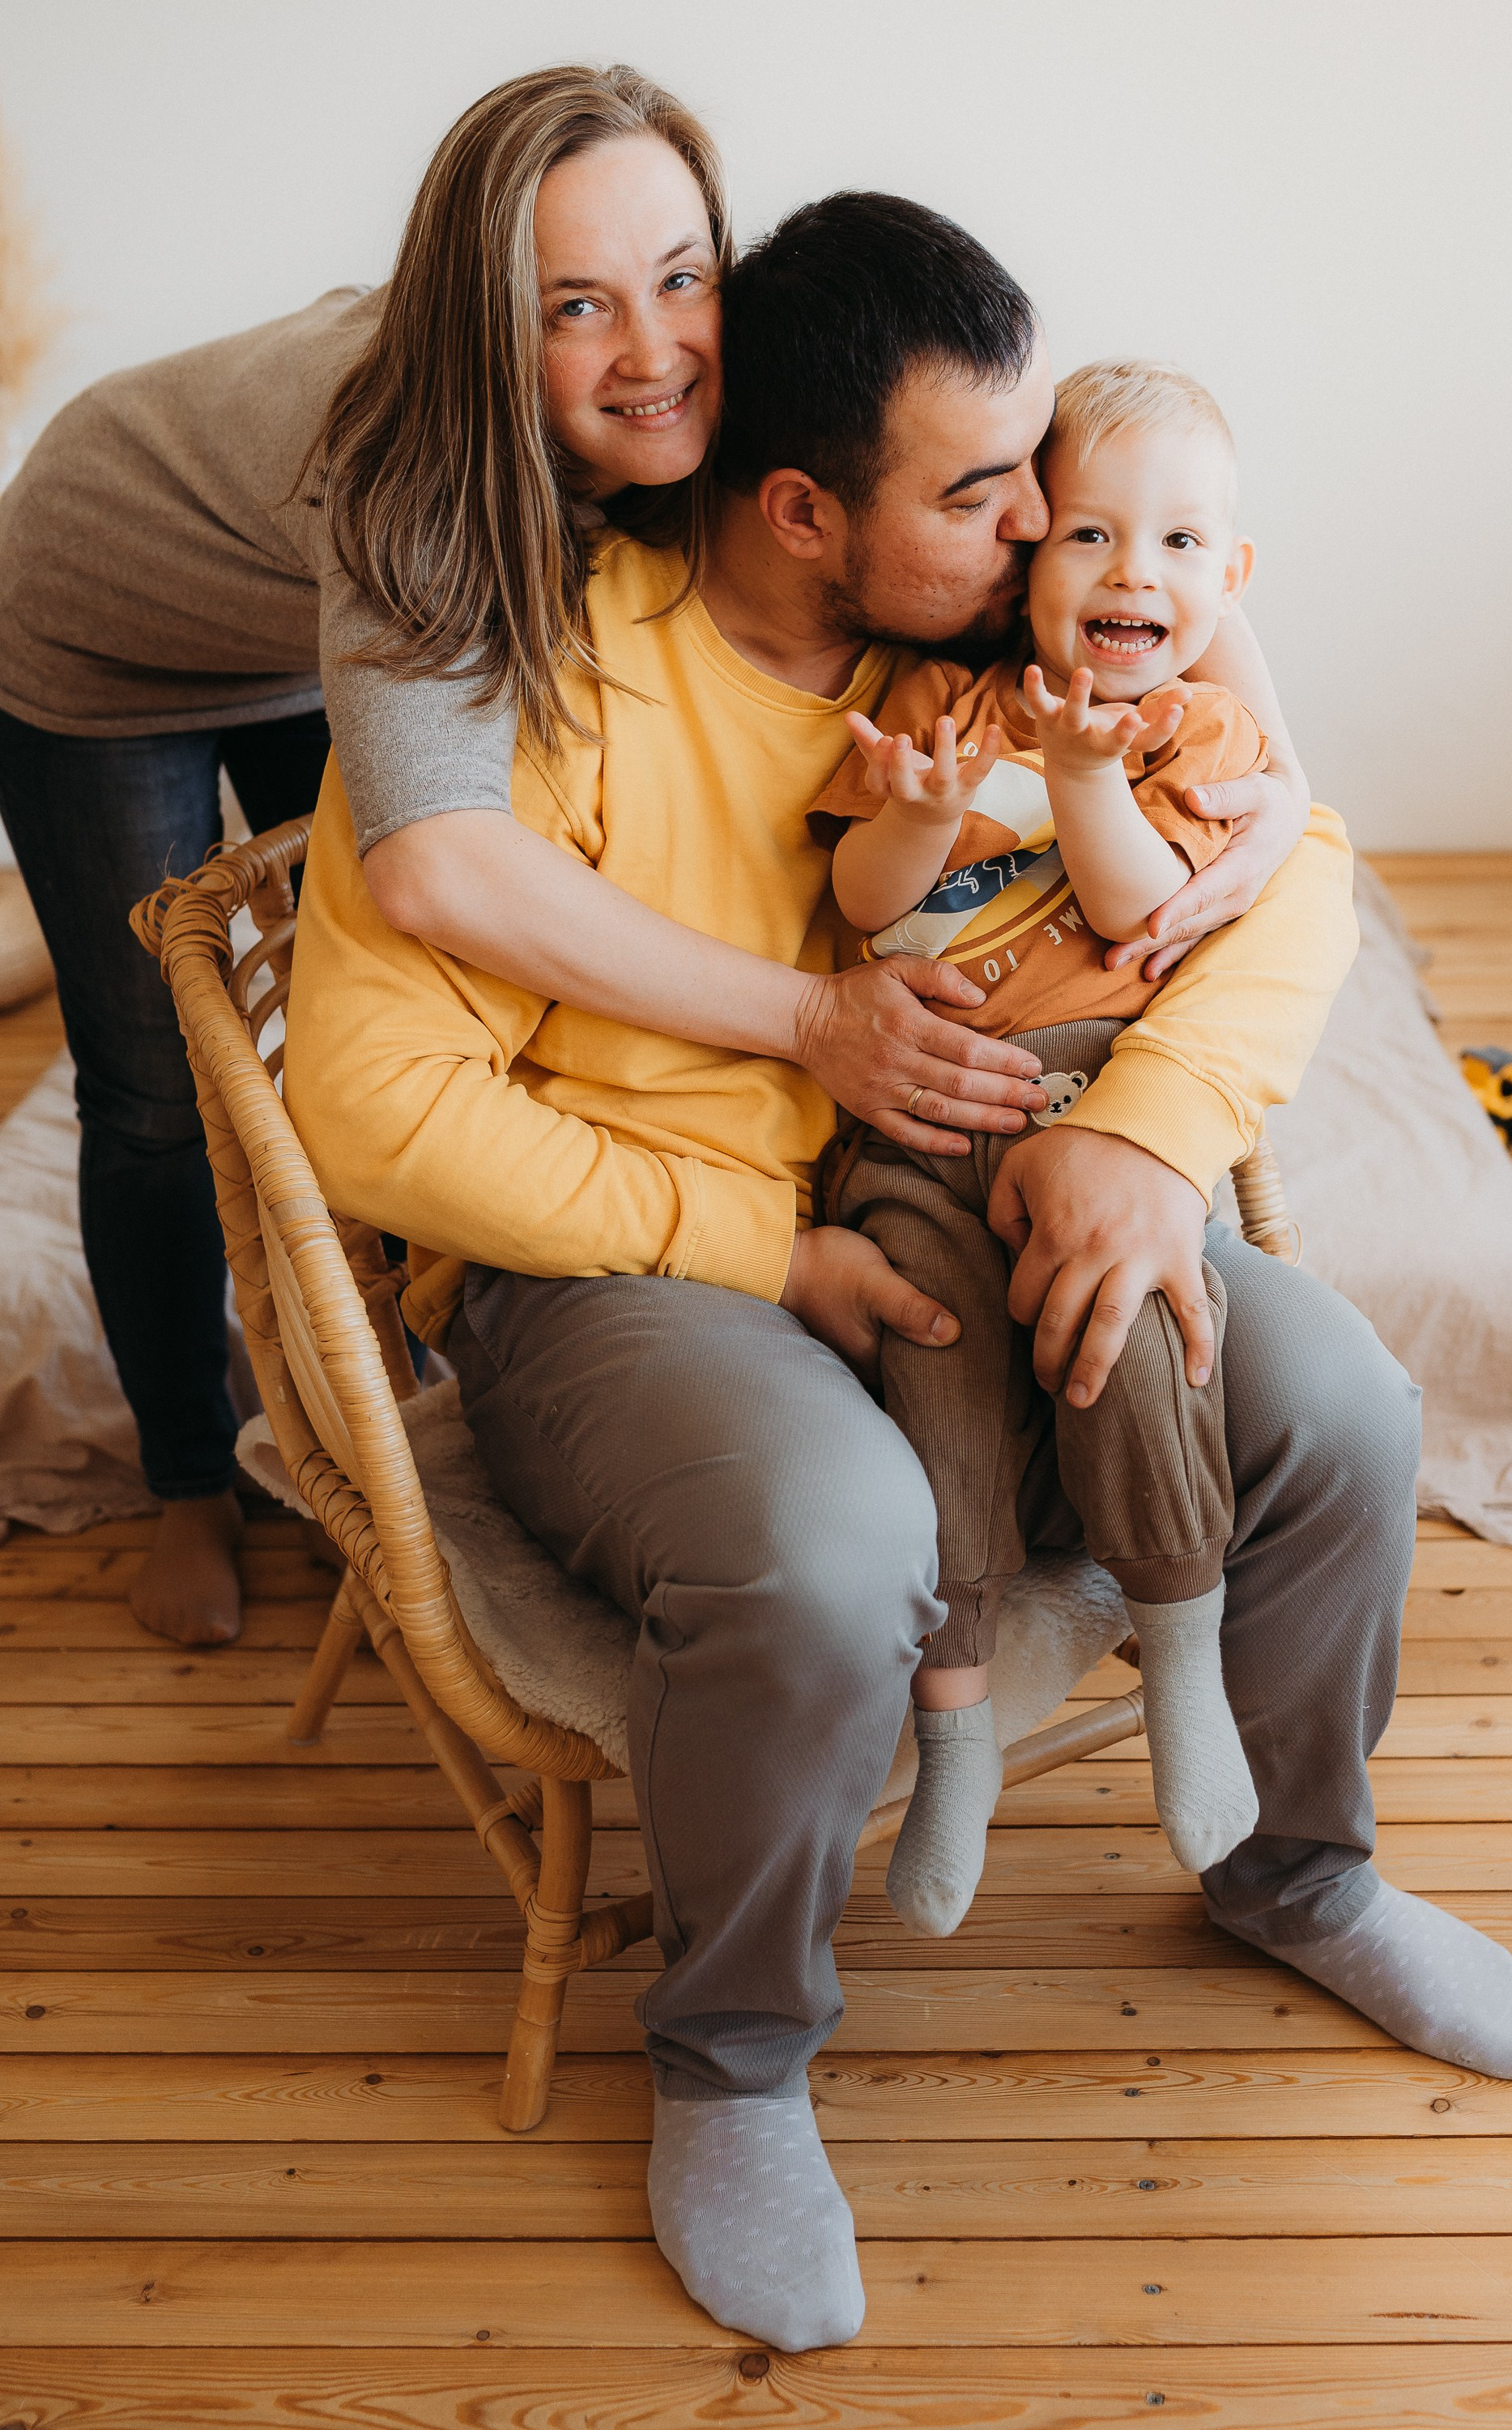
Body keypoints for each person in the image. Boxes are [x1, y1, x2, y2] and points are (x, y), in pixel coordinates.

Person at [283, 190, 1512, 2353]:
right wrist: (760, 1254)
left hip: (978, 1196)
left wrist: (1151, 1144)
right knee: (834, 1537)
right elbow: (377, 1116)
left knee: (1335, 1406)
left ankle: (1298, 1870)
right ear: (804, 511)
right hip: (629, 1263)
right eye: (992, 493)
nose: (1054, 520)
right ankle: (737, 2052)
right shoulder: (552, 685)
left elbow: (1302, 875)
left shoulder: (994, 655)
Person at [0, 64, 1055, 1646]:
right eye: (576, 306)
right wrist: (800, 1018)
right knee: (167, 1083)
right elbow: (438, 867)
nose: (653, 351)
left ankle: (400, 1337)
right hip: (103, 637)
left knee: (348, 1015)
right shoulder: (405, 477)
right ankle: (183, 1478)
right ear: (484, 317)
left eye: (682, 279)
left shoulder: (700, 409)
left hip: (307, 628)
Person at [815, 356, 1267, 1933]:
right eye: (1089, 535)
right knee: (933, 1356)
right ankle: (954, 1734)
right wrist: (927, 812)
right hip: (919, 1100)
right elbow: (865, 904)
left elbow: (1149, 910)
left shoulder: (1194, 728)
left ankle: (1185, 1651)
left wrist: (1082, 780)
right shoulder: (941, 701)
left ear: (1230, 578)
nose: (1133, 574)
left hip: (1083, 1086)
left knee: (1123, 1338)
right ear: (1028, 557)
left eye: (1179, 546)